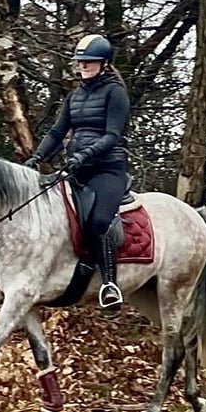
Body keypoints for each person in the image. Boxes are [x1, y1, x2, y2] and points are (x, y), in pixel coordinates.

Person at [24, 34, 130, 310]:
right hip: (78, 169)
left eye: (89, 61)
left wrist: (84, 155)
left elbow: (112, 135)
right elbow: (57, 132)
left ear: (104, 64)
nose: (83, 65)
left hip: (107, 169)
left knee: (99, 221)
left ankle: (109, 284)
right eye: (81, 61)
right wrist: (36, 157)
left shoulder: (115, 92)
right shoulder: (75, 96)